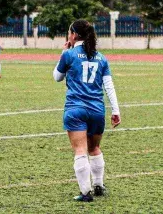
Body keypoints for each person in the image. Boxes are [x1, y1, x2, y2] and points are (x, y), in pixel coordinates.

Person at [53, 19, 121, 202]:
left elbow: (57, 77)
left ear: (74, 35)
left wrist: (64, 52)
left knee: (80, 150)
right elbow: (109, 86)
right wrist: (116, 110)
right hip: (97, 110)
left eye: (69, 33)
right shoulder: (101, 57)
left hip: (75, 109)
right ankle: (99, 185)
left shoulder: (69, 54)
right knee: (95, 148)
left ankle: (85, 193)